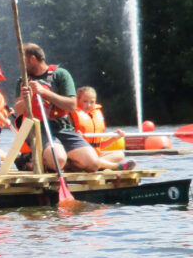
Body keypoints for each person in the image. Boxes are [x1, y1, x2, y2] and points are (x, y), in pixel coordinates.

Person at [13, 43, 133, 172]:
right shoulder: (23, 81)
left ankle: (53, 161)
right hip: (39, 130)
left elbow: (71, 106)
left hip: (62, 128)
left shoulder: (61, 75)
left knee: (92, 164)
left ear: (32, 59)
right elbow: (19, 110)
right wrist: (27, 99)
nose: (19, 65)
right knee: (58, 160)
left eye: (21, 61)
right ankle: (46, 160)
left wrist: (44, 92)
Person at [73, 86, 126, 159]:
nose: (88, 105)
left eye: (92, 102)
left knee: (120, 155)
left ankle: (98, 164)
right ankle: (103, 164)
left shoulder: (96, 114)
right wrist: (76, 137)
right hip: (81, 155)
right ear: (78, 100)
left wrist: (115, 138)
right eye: (85, 101)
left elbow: (99, 146)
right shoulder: (71, 115)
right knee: (91, 159)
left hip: (95, 155)